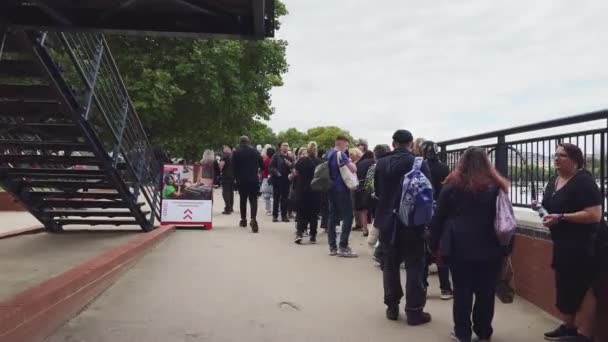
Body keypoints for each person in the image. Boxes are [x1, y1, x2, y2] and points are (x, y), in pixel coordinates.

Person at [430, 147, 509, 342]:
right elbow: (506, 219)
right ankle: (483, 331)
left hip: (459, 248)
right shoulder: (496, 187)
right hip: (491, 247)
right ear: (487, 163)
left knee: (462, 292)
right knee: (486, 291)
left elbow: (438, 218)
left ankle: (462, 333)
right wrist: (506, 249)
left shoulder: (451, 186)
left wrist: (433, 245)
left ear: (462, 162)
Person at [539, 143, 602, 342]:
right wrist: (542, 210)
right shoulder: (554, 180)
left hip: (587, 243)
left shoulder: (584, 181)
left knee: (585, 286)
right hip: (564, 243)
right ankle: (569, 327)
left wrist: (562, 217)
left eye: (562, 156)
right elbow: (549, 207)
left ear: (575, 159)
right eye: (555, 155)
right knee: (566, 284)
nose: (556, 159)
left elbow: (594, 215)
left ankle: (584, 334)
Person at [374, 129, 432, 325]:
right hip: (413, 222)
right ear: (411, 143)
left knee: (390, 264)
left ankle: (392, 306)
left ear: (393, 143)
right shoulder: (419, 163)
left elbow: (378, 191)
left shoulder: (381, 163)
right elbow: (429, 193)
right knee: (415, 265)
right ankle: (414, 310)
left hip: (388, 221)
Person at [420, 140, 453, 300]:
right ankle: (445, 289)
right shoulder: (444, 167)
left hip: (423, 211)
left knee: (423, 251)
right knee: (441, 250)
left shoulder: (419, 166)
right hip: (441, 211)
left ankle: (422, 287)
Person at [327, 135, 358, 257]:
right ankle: (343, 246)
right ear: (341, 143)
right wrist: (351, 162)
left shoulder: (329, 154)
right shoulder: (341, 154)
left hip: (331, 188)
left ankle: (332, 246)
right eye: (346, 144)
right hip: (342, 188)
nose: (347, 147)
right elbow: (353, 169)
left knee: (333, 216)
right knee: (348, 216)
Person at [232, 136, 264, 233]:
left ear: (240, 142)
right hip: (253, 179)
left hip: (241, 180)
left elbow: (234, 168)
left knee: (243, 199)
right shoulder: (255, 152)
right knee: (253, 199)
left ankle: (243, 219)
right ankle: (253, 218)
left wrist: (236, 179)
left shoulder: (236, 153)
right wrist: (257, 171)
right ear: (248, 142)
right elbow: (262, 165)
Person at [293, 142, 323, 244]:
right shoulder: (320, 162)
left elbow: (296, 173)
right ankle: (313, 235)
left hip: (302, 190)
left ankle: (299, 233)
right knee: (313, 214)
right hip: (315, 191)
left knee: (301, 213)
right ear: (316, 151)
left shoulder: (301, 161)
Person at [366, 144, 391, 262]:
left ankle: (376, 247)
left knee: (378, 222)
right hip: (389, 200)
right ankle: (380, 251)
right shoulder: (390, 164)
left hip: (377, 199)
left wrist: (373, 193)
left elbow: (369, 184)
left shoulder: (374, 167)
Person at [269, 142, 294, 222]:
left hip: (286, 180)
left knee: (285, 198)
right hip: (277, 180)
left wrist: (290, 164)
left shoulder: (290, 157)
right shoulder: (276, 156)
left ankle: (284, 215)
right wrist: (277, 173)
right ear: (280, 147)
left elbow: (293, 167)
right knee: (276, 198)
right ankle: (275, 215)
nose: (286, 147)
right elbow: (271, 167)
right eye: (284, 146)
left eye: (287, 146)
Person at [354, 149, 375, 237]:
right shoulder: (373, 162)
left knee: (363, 210)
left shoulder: (359, 163)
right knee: (374, 210)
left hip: (359, 187)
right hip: (370, 187)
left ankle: (365, 229)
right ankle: (374, 231)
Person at [219, 145, 235, 215]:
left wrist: (220, 170)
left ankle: (227, 208)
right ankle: (231, 207)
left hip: (225, 176)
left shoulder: (224, 156)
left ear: (228, 148)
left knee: (225, 192)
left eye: (225, 147)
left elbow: (221, 166)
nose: (224, 149)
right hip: (232, 176)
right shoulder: (233, 156)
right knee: (231, 192)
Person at [261, 147, 275, 216]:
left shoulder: (266, 160)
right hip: (274, 178)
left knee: (267, 196)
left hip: (266, 178)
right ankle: (274, 209)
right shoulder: (274, 160)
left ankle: (268, 210)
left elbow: (263, 169)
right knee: (274, 195)